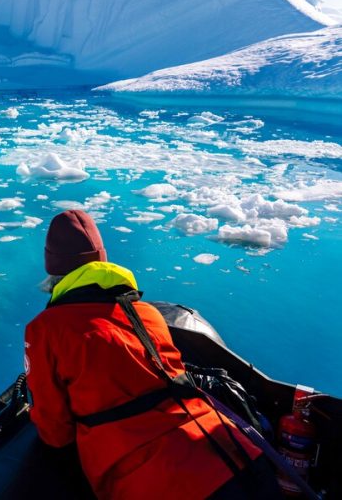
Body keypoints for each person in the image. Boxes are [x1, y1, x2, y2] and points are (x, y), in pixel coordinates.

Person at [24, 209, 283, 499]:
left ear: (53, 270)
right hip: (239, 456)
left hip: (158, 481)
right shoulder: (148, 313)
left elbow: (55, 431)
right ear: (102, 260)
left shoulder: (46, 329)